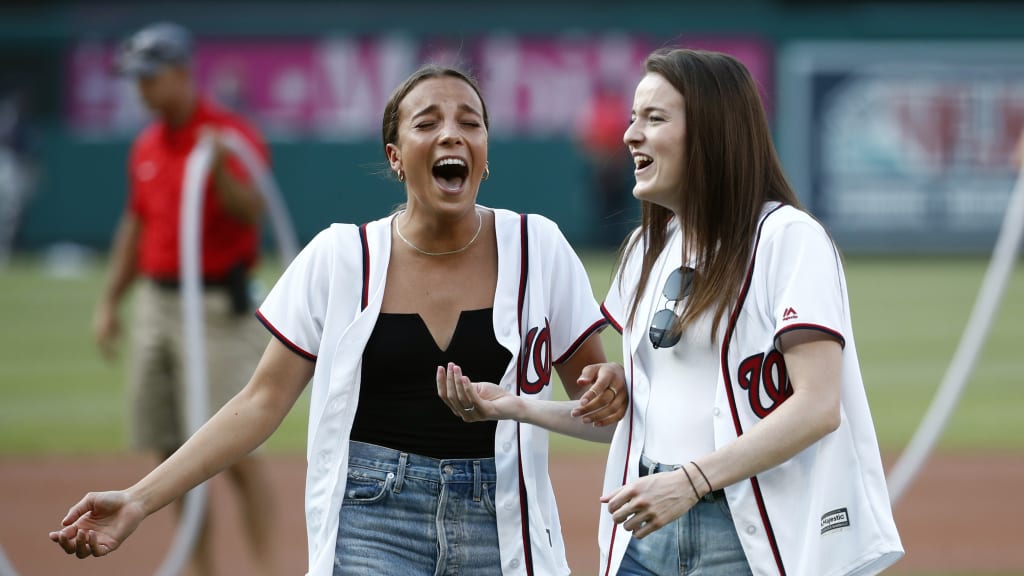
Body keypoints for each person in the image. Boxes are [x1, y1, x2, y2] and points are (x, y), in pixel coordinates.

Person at [52, 64, 628, 576]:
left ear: (484, 153)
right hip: (370, 521)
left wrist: (611, 390)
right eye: (426, 122)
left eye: (469, 122)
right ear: (395, 156)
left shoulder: (540, 247)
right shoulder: (340, 256)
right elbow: (260, 402)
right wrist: (138, 498)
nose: (452, 132)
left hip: (506, 521)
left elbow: (596, 412)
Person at [439, 48, 904, 576]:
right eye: (634, 117)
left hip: (742, 535)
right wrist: (514, 406)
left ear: (712, 132)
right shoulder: (646, 249)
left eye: (654, 118)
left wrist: (690, 482)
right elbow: (631, 423)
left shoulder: (788, 239)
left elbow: (818, 407)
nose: (630, 134)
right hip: (647, 530)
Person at [88, 22, 280, 576]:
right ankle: (198, 569)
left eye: (150, 78)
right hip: (158, 304)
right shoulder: (147, 144)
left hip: (217, 308)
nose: (141, 90)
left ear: (180, 74)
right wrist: (109, 302)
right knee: (169, 453)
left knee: (236, 449)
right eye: (136, 80)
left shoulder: (230, 134)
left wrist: (218, 164)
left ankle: (268, 566)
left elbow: (251, 211)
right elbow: (136, 224)